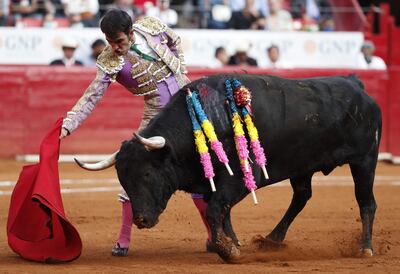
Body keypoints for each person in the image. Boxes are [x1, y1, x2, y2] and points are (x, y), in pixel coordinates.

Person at [59, 9, 213, 257]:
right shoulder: (109, 61)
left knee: (202, 171)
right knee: (133, 171)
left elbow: (175, 40)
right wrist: (67, 125)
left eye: (119, 41)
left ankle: (213, 235)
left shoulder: (151, 26)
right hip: (156, 118)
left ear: (131, 33)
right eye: (109, 42)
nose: (115, 48)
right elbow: (91, 98)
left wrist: (181, 68)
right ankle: (123, 239)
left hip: (187, 107)